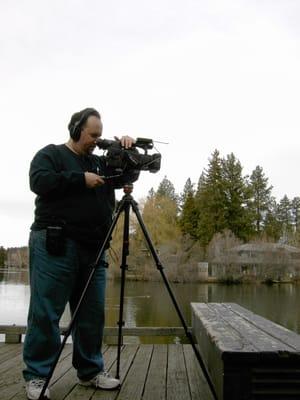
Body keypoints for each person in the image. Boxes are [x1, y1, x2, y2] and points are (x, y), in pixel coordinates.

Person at [23, 107, 139, 400]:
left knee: (91, 315)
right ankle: (38, 376)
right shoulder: (50, 155)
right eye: (93, 135)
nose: (97, 141)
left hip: (94, 248)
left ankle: (89, 371)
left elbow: (130, 174)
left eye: (101, 136)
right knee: (46, 312)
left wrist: (128, 149)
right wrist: (79, 179)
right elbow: (38, 181)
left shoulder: (101, 164)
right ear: (76, 129)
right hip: (55, 245)